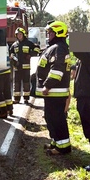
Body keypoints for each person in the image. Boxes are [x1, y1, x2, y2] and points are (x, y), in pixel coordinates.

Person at [36, 21, 72, 155]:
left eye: (50, 32)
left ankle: (63, 148)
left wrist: (47, 85)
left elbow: (57, 69)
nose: (48, 34)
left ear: (58, 33)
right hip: (53, 93)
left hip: (55, 91)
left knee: (57, 119)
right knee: (50, 117)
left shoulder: (59, 48)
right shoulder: (56, 47)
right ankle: (56, 142)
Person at [9, 27, 40, 104]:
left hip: (26, 67)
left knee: (26, 83)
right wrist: (12, 58)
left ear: (23, 35)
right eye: (18, 34)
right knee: (16, 84)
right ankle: (16, 99)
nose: (19, 36)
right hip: (17, 67)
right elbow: (11, 53)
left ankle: (26, 99)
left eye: (20, 34)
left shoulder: (28, 43)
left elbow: (37, 48)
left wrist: (31, 54)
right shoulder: (14, 45)